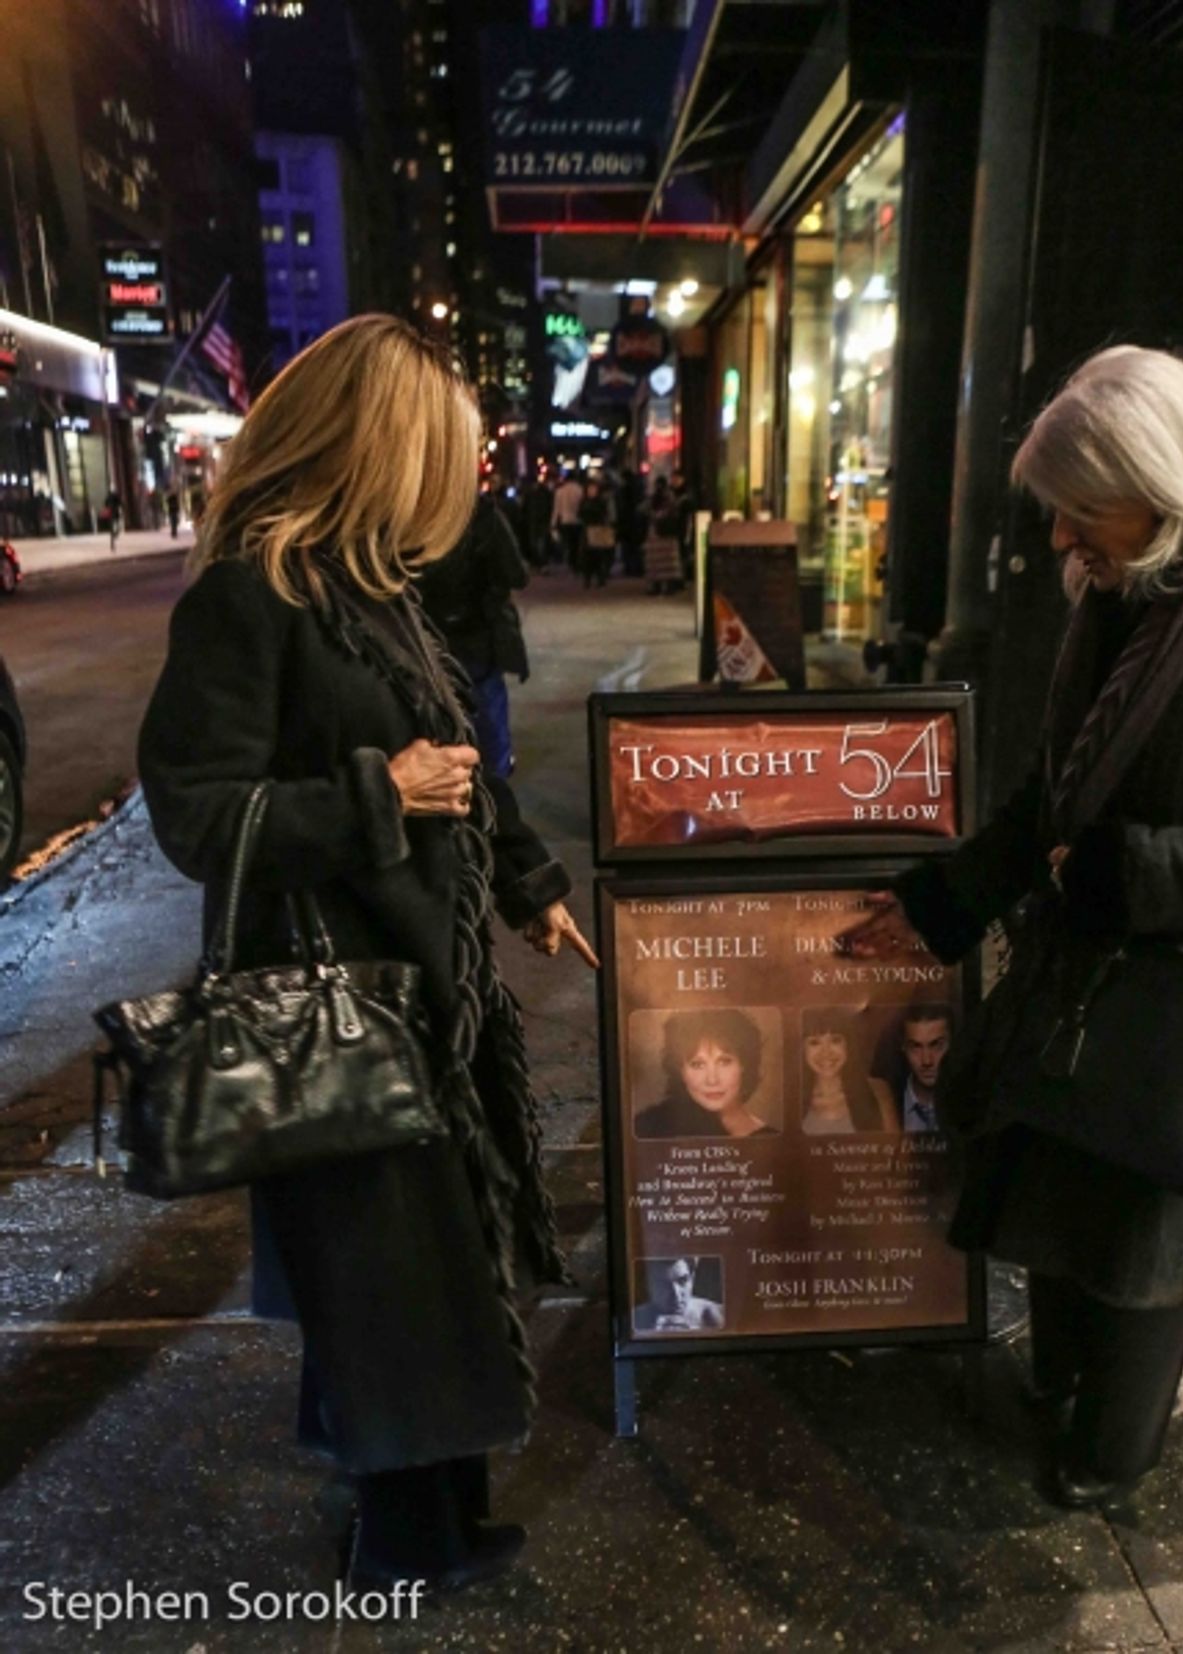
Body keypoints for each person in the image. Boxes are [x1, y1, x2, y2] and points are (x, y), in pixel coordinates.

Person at [841, 345, 1183, 1510]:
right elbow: (1052, 793)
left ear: (1160, 484)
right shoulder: (1120, 603)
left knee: (1148, 1229)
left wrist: (1140, 872)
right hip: (1099, 954)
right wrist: (940, 901)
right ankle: (1062, 1383)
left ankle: (1110, 1450)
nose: (1061, 541)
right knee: (1064, 1180)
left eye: (1082, 513)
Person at [137, 315, 600, 1591]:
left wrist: (527, 883)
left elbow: (460, 763)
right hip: (337, 1010)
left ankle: (438, 1515)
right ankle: (404, 1540)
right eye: (437, 456)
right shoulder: (254, 595)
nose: (453, 486)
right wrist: (371, 797)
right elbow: (193, 811)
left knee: (435, 1280)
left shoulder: (377, 591)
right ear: (374, 451)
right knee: (389, 1298)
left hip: (425, 1006)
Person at [416, 489, 531, 780]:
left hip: (429, 636)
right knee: (487, 708)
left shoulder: (418, 515)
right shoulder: (484, 517)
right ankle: (495, 786)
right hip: (477, 632)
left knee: (436, 715)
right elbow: (516, 574)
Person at [633, 1008, 777, 1139]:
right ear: (680, 1071)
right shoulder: (648, 1127)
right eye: (697, 1065)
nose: (712, 1080)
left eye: (724, 1062)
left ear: (744, 1064)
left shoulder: (771, 1139)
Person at [800, 1009, 899, 1134]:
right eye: (814, 1042)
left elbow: (893, 1150)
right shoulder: (789, 1100)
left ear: (848, 1044)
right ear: (802, 1049)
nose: (826, 1052)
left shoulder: (877, 1090)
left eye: (835, 1040)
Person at [893, 1004, 952, 1136]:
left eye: (937, 1045)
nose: (927, 1061)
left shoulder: (972, 1103)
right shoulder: (889, 1103)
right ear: (903, 1047)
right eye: (915, 1046)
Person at [634, 1257, 724, 1334]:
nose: (676, 1295)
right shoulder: (634, 1320)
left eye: (682, 1281)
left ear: (692, 1278)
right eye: (662, 1284)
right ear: (648, 1284)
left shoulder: (720, 1314)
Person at [644, 477, 684, 595]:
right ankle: (666, 585)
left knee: (658, 560)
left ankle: (659, 584)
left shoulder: (659, 497)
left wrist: (655, 516)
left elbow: (649, 511)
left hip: (659, 531)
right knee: (666, 560)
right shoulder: (669, 496)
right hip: (666, 532)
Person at [578, 475, 615, 590]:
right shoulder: (584, 501)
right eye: (590, 489)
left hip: (598, 530)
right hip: (587, 530)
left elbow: (605, 514)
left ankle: (600, 578)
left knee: (599, 556)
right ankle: (587, 579)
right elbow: (580, 514)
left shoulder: (600, 501)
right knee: (586, 556)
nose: (591, 491)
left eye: (593, 489)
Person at [550, 469, 584, 574]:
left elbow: (556, 509)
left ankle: (571, 562)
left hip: (565, 520)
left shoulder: (560, 491)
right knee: (577, 543)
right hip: (578, 520)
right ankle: (576, 563)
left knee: (568, 543)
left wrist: (553, 523)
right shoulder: (580, 490)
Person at [104, 487, 123, 551]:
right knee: (117, 524)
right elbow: (120, 503)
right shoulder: (116, 496)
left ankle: (112, 545)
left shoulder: (108, 497)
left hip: (111, 513)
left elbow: (105, 504)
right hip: (115, 513)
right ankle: (116, 534)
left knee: (112, 528)